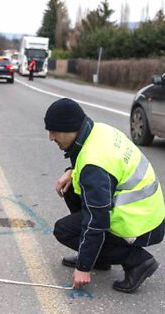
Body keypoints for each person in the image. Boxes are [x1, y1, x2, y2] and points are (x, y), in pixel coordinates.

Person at [44, 98, 165, 293]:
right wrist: (72, 171)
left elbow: (97, 220)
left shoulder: (94, 164)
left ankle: (138, 261)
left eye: (54, 131)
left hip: (140, 222)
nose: (50, 137)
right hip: (147, 211)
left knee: (64, 230)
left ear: (69, 129)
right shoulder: (96, 130)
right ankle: (99, 255)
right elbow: (102, 170)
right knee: (72, 188)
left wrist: (84, 266)